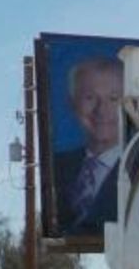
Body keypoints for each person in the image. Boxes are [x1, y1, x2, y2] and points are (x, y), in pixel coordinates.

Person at [52, 56, 123, 236]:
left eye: (113, 99)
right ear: (72, 103)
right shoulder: (56, 167)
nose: (102, 109)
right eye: (90, 97)